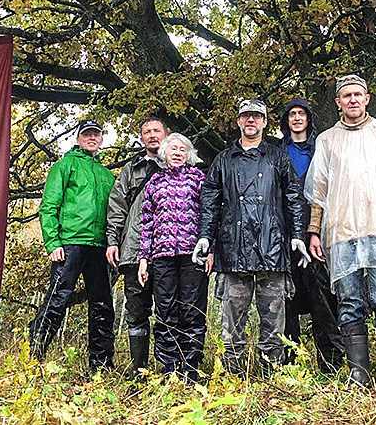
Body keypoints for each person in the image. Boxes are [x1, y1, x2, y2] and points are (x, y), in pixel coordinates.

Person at [305, 74, 376, 387]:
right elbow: (319, 189)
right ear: (338, 102)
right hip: (341, 232)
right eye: (346, 96)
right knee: (349, 300)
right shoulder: (326, 139)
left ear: (367, 98)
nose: (352, 100)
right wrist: (315, 230)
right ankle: (359, 372)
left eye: (358, 94)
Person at [194, 98, 310, 374]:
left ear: (265, 122)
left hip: (272, 249)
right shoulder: (223, 159)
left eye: (256, 116)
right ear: (238, 121)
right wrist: (205, 237)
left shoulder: (278, 157)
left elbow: (293, 197)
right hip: (233, 251)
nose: (251, 121)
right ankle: (233, 376)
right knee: (232, 324)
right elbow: (209, 202)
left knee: (274, 323)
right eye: (246, 116)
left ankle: (272, 376)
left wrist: (297, 235)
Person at [29, 119, 116, 372]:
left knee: (102, 305)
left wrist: (114, 244)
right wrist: (52, 242)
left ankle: (101, 366)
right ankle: (34, 354)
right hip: (70, 244)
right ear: (77, 139)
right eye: (86, 134)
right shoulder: (64, 166)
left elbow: (115, 213)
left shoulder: (106, 174)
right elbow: (48, 207)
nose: (92, 138)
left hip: (100, 246)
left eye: (96, 134)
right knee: (57, 298)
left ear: (101, 139)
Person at [137, 133, 210, 382]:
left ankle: (191, 366)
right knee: (165, 310)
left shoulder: (199, 179)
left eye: (182, 149)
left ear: (188, 154)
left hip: (193, 255)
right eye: (173, 149)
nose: (177, 153)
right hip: (162, 255)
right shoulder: (154, 182)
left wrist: (211, 250)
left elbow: (209, 217)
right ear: (164, 153)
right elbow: (146, 222)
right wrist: (143, 258)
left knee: (192, 309)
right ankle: (169, 366)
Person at [280, 98, 345, 373]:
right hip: (284, 234)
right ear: (286, 121)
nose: (297, 118)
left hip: (320, 231)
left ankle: (331, 363)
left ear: (309, 118)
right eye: (292, 114)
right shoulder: (275, 152)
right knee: (286, 299)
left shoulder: (324, 147)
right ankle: (290, 365)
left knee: (324, 298)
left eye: (301, 114)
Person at [106, 116, 167, 379]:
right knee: (136, 310)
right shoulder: (131, 170)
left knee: (169, 310)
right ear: (141, 137)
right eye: (147, 132)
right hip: (133, 249)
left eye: (157, 130)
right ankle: (139, 369)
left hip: (170, 250)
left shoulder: (181, 163)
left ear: (166, 134)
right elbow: (117, 207)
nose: (152, 135)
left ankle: (170, 367)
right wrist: (112, 241)